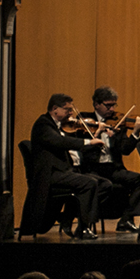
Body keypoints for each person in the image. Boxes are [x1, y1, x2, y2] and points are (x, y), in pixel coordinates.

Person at [22, 93, 104, 238]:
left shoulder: (61, 126)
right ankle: (83, 228)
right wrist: (88, 142)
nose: (71, 114)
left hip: (63, 171)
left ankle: (68, 217)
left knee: (103, 183)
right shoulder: (43, 124)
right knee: (89, 183)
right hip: (50, 174)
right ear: (55, 109)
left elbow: (72, 142)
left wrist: (95, 135)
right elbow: (60, 142)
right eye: (67, 110)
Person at [79, 86, 140, 233]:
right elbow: (82, 149)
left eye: (114, 105)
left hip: (113, 168)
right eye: (108, 105)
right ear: (96, 104)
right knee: (105, 184)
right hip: (93, 169)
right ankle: (85, 224)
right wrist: (97, 134)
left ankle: (126, 219)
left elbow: (125, 150)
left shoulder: (117, 123)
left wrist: (135, 133)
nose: (111, 109)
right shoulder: (85, 122)